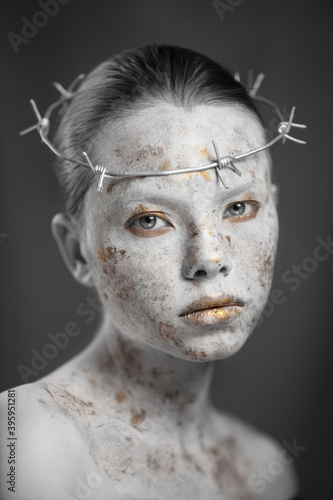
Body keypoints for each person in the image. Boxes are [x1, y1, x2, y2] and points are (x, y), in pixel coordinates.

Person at [0, 45, 301, 499]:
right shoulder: (23, 444)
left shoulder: (265, 473)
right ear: (77, 252)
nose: (209, 256)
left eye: (238, 207)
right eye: (150, 219)